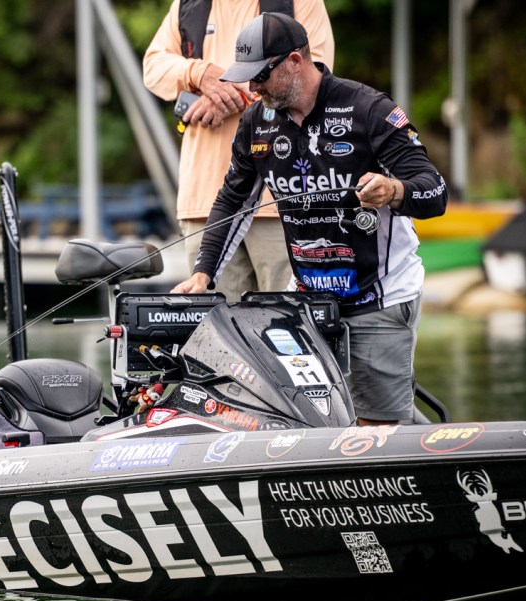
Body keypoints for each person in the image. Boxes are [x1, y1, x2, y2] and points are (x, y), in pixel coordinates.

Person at [171, 12, 448, 426]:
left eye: (260, 76)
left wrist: (394, 191)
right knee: (300, 418)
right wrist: (203, 273)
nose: (252, 88)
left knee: (378, 428)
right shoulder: (257, 121)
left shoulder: (368, 109)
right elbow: (233, 200)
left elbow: (435, 191)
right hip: (306, 300)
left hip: (379, 295)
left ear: (295, 62)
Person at [143, 0, 334, 301]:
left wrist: (222, 94)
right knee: (214, 326)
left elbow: (314, 74)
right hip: (204, 203)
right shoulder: (188, 4)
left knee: (291, 321)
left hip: (281, 202)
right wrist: (200, 73)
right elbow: (153, 67)